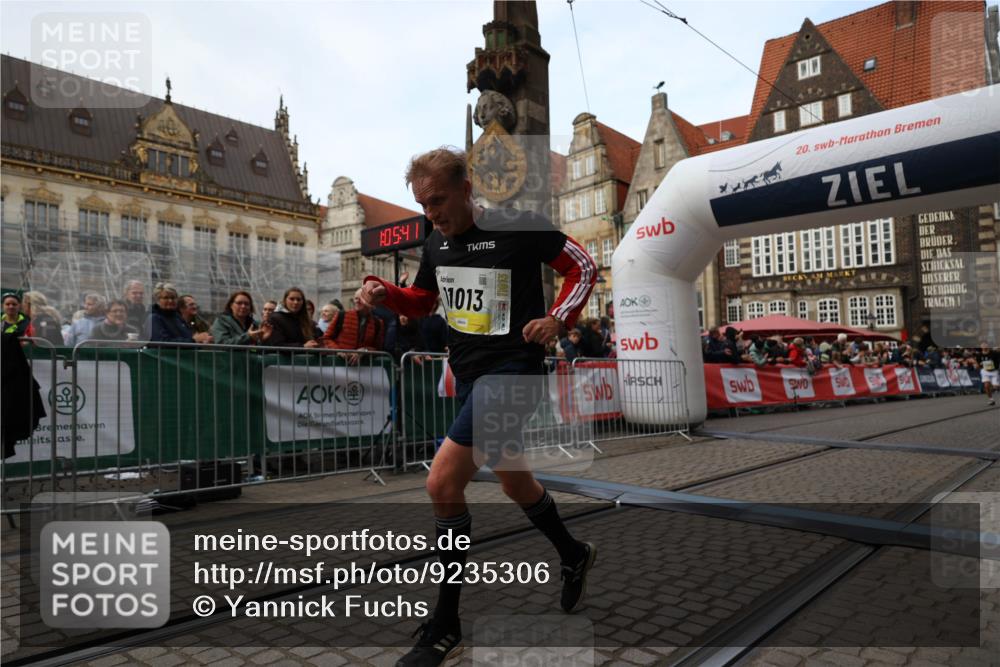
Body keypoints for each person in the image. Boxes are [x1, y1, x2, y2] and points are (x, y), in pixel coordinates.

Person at [354, 147, 598, 667]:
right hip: (470, 377)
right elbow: (425, 301)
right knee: (515, 483)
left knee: (442, 482)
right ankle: (573, 554)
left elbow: (583, 265)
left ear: (467, 189)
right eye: (422, 204)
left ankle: (445, 626)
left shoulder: (518, 226)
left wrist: (558, 316)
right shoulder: (435, 241)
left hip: (514, 375)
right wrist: (386, 294)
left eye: (439, 200)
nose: (432, 213)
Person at [320, 294, 386, 363]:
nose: (357, 301)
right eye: (355, 298)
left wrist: (365, 350)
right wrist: (338, 351)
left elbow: (378, 348)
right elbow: (326, 338)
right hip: (338, 365)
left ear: (371, 302)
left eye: (361, 298)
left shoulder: (378, 323)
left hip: (363, 369)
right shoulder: (342, 315)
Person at [975, 342, 1000, 406]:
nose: (984, 346)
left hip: (994, 371)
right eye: (982, 345)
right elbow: (977, 364)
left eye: (985, 345)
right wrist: (977, 366)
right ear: (980, 346)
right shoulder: (979, 355)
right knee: (986, 386)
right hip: (985, 371)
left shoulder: (994, 353)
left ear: (988, 346)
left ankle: (994, 387)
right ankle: (991, 399)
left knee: (996, 387)